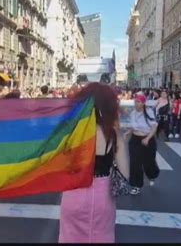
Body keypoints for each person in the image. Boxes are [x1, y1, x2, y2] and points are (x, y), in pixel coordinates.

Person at [59, 82, 129, 243]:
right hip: (102, 198)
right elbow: (125, 175)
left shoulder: (71, 132)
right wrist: (121, 138)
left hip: (73, 194)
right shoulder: (112, 133)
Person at [124, 94, 159, 195]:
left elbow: (154, 127)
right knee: (135, 162)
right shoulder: (133, 113)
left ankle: (152, 174)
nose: (136, 104)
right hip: (135, 139)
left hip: (148, 139)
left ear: (143, 103)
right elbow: (133, 126)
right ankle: (136, 185)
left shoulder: (149, 112)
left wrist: (147, 138)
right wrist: (128, 132)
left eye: (138, 102)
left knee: (149, 161)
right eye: (135, 102)